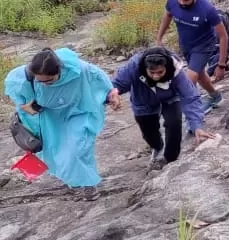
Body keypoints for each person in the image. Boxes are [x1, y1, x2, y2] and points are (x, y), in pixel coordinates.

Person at [5, 47, 119, 190]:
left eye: (49, 81)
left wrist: (112, 94)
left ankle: (88, 185)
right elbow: (17, 93)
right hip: (51, 118)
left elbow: (100, 79)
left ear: (59, 70)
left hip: (78, 112)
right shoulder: (27, 75)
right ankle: (74, 180)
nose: (45, 83)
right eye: (40, 81)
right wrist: (24, 107)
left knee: (79, 147)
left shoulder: (80, 70)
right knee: (57, 151)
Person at [111, 46, 212, 168]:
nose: (156, 76)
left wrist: (196, 126)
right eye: (152, 72)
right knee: (149, 132)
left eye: (160, 72)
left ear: (167, 68)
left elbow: (190, 97)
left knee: (174, 123)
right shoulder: (134, 66)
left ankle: (170, 160)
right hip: (143, 99)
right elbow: (117, 84)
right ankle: (157, 147)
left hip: (170, 97)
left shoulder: (176, 70)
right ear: (145, 68)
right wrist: (113, 94)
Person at [156, 0, 229, 111]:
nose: (182, 3)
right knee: (200, 74)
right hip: (186, 45)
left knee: (191, 78)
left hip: (204, 46)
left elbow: (223, 36)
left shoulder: (207, 9)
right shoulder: (172, 0)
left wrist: (221, 65)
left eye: (187, 0)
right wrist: (159, 38)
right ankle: (215, 96)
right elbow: (167, 17)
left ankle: (192, 111)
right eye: (180, 0)